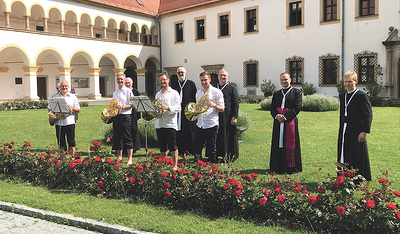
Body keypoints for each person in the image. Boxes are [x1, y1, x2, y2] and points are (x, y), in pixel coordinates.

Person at [337, 71, 372, 181]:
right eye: (345, 82)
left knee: (356, 153)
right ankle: (343, 177)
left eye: (350, 81)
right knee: (343, 151)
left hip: (356, 129)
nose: (347, 84)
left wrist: (364, 131)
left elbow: (368, 114)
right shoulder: (343, 96)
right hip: (344, 128)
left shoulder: (361, 96)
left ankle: (357, 178)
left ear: (355, 81)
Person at [269, 72, 302, 174]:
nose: (283, 81)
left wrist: (286, 117)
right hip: (278, 122)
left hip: (290, 122)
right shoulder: (277, 93)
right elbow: (272, 108)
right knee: (278, 143)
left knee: (290, 144)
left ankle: (290, 167)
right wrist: (277, 116)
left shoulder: (296, 92)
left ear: (290, 80)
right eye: (282, 80)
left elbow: (297, 107)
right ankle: (277, 166)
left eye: (285, 79)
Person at [193, 71, 224, 163]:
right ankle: (199, 166)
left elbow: (222, 108)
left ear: (209, 79)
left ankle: (211, 169)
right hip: (200, 123)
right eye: (201, 80)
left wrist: (213, 105)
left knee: (211, 148)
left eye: (205, 80)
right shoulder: (198, 93)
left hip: (211, 123)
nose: (203, 82)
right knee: (197, 147)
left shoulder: (217, 92)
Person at [155, 73, 181, 170]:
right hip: (160, 123)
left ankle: (175, 165)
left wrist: (167, 108)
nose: (163, 81)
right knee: (162, 146)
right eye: (161, 80)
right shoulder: (157, 94)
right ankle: (163, 164)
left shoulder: (174, 93)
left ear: (168, 80)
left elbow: (178, 107)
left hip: (170, 123)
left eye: (164, 79)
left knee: (173, 145)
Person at [48, 80, 80, 155]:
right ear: (60, 87)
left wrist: (72, 108)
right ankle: (62, 159)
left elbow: (78, 109)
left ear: (68, 87)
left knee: (71, 141)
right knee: (61, 142)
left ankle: (72, 158)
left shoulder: (73, 97)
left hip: (70, 122)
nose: (64, 87)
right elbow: (49, 108)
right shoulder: (55, 97)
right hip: (59, 122)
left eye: (65, 86)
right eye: (62, 86)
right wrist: (52, 114)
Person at [170, 67, 197, 156]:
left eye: (182, 72)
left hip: (188, 110)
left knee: (189, 130)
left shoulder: (191, 84)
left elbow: (194, 98)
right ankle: (180, 150)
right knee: (179, 130)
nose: (180, 74)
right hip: (177, 110)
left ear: (185, 73)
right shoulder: (173, 84)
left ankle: (191, 150)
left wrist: (194, 110)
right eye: (179, 73)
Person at [215, 69, 239, 162]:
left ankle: (229, 154)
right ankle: (218, 153)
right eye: (221, 75)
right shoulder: (215, 88)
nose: (222, 77)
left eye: (224, 75)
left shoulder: (232, 88)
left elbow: (235, 103)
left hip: (228, 116)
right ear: (218, 77)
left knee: (228, 135)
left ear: (227, 77)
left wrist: (234, 116)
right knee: (218, 134)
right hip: (216, 115)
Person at [112, 73, 134, 165]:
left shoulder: (128, 91)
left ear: (124, 80)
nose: (120, 81)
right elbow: (113, 103)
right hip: (117, 116)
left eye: (121, 79)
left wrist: (123, 107)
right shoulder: (115, 92)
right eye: (118, 79)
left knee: (127, 137)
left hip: (125, 116)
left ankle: (130, 159)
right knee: (117, 137)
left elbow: (132, 104)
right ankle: (119, 157)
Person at [125, 77, 141, 153]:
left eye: (129, 83)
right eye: (126, 83)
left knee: (134, 130)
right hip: (125, 113)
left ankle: (134, 148)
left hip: (133, 113)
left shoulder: (135, 91)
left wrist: (138, 115)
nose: (127, 84)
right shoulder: (123, 91)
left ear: (132, 83)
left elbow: (139, 104)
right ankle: (126, 148)